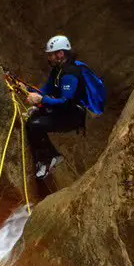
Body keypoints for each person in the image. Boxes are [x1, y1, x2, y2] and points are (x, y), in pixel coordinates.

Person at [25, 35, 86, 179]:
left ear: (60, 54)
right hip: (64, 110)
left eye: (51, 54)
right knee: (34, 118)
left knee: (34, 124)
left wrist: (41, 99)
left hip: (72, 115)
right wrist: (28, 90)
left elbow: (65, 101)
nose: (48, 58)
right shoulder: (58, 70)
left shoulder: (70, 73)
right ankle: (50, 156)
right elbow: (46, 89)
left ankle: (49, 159)